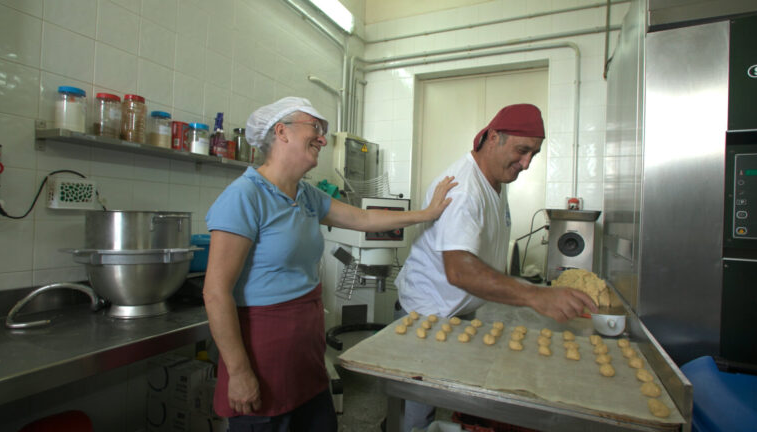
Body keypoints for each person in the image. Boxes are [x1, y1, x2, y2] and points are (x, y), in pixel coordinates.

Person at [202, 96, 457, 432]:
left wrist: (426, 214)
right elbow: (216, 292)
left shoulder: (305, 195)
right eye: (315, 127)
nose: (323, 139)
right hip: (262, 355)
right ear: (282, 132)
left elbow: (364, 219)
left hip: (306, 355)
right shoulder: (245, 196)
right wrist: (238, 372)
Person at [393, 103, 598, 431]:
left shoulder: (495, 181)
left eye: (534, 154)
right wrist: (535, 296)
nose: (527, 163)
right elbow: (459, 271)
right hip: (427, 313)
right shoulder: (464, 190)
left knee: (447, 395)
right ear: (492, 138)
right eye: (522, 150)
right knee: (419, 409)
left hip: (458, 310)